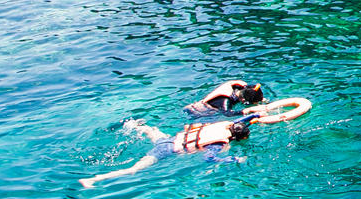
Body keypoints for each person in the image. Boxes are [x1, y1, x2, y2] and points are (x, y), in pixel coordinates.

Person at [79, 116, 255, 188]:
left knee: (150, 131)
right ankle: (92, 179)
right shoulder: (218, 143)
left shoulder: (224, 125)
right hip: (166, 150)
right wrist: (233, 159)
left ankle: (131, 124)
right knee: (133, 170)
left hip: (169, 139)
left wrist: (254, 117)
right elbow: (209, 158)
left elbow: (243, 119)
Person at [186, 80, 265, 116]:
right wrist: (247, 110)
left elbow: (254, 90)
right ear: (243, 100)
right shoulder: (226, 100)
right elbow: (227, 113)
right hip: (195, 111)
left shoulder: (241, 86)